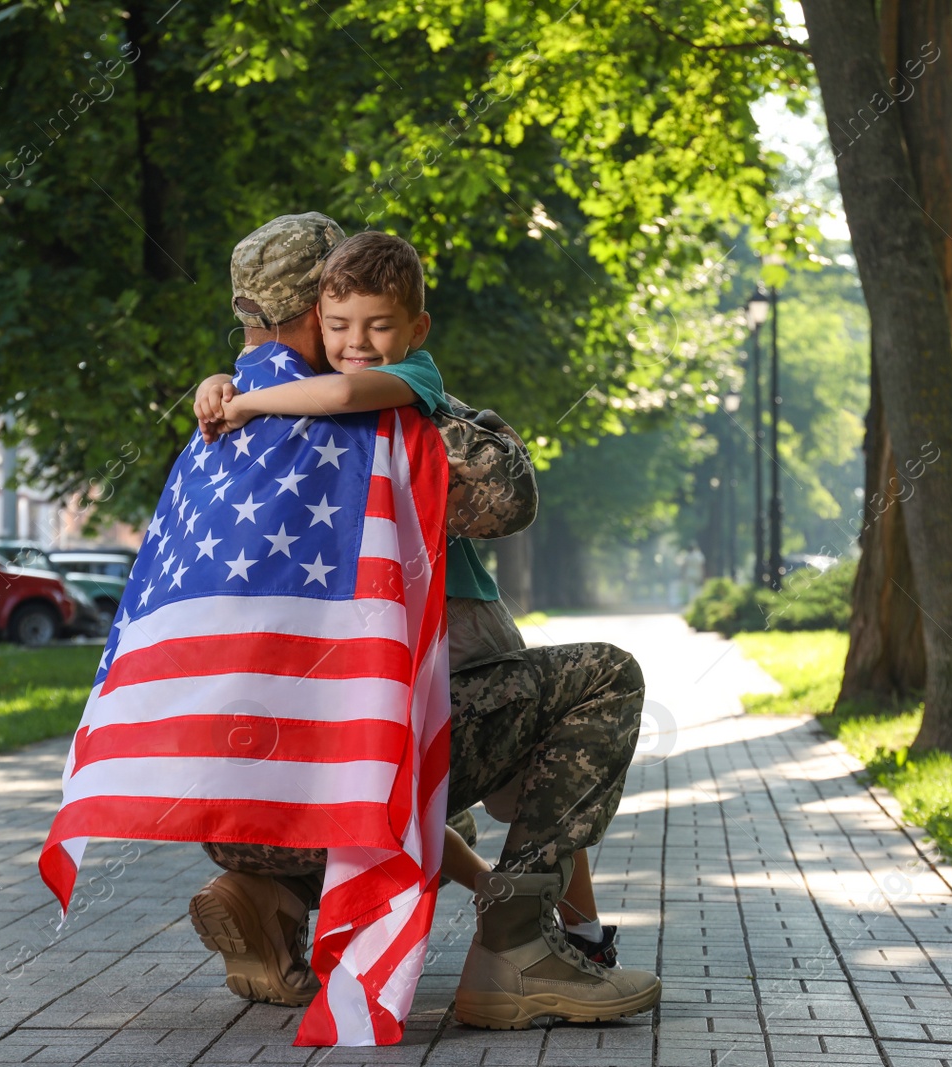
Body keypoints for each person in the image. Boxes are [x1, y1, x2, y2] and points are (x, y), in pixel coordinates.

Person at [186, 213, 659, 1030]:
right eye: (335, 320)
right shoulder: (381, 426)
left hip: (248, 795)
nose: (353, 339)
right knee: (598, 680)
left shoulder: (222, 434)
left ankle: (259, 894)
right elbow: (508, 493)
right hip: (371, 759)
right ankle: (521, 945)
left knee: (421, 774)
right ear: (315, 317)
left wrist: (226, 391)